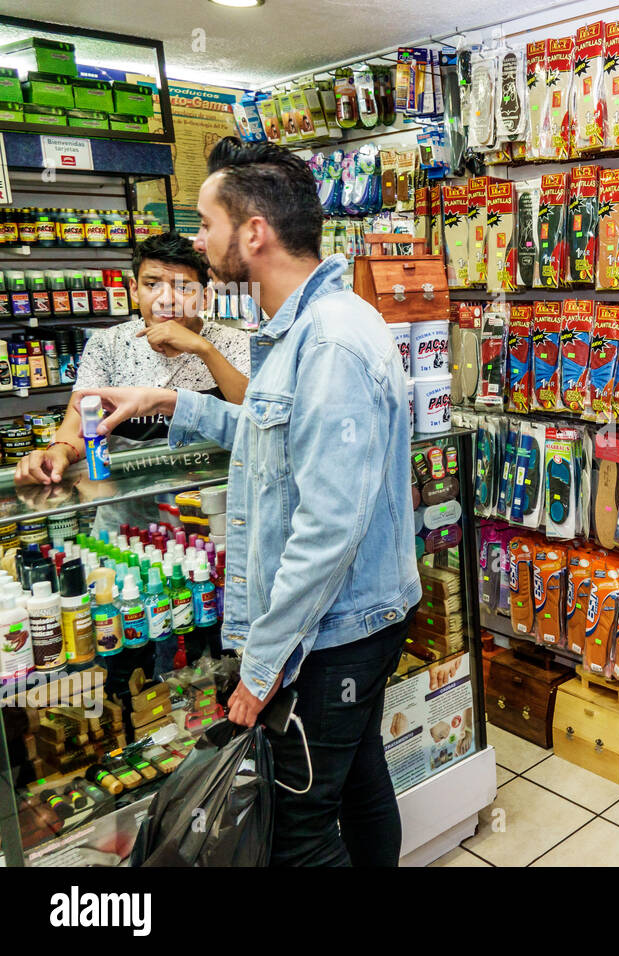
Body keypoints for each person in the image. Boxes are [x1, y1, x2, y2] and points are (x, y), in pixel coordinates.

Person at [74, 137, 420, 867]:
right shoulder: (306, 329)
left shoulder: (326, 341)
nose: (199, 241)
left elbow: (329, 528)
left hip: (334, 635)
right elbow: (276, 436)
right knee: (356, 784)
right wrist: (170, 399)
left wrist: (262, 666)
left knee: (298, 830)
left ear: (253, 233)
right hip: (350, 624)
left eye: (206, 224)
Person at [14, 232, 250, 488]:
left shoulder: (234, 342)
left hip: (214, 496)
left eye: (183, 287)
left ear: (205, 297)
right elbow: (79, 425)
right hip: (127, 501)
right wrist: (58, 452)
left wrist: (205, 349)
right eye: (152, 285)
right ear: (134, 290)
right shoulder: (108, 344)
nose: (166, 299)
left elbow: (256, 416)